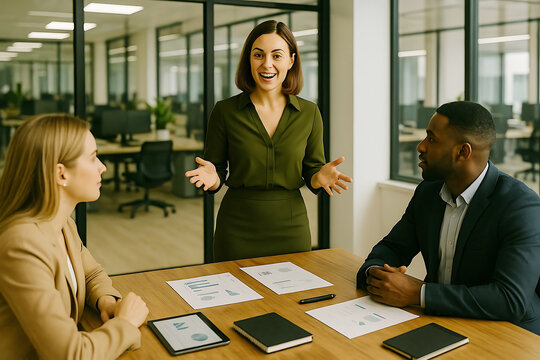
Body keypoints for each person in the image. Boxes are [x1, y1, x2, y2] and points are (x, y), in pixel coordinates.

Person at [357, 101, 540, 335]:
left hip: (506, 333)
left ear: (463, 151)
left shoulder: (520, 205)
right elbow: (392, 247)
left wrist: (419, 293)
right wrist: (375, 274)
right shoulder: (428, 192)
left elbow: (509, 299)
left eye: (432, 139)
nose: (420, 147)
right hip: (443, 322)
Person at [186, 20, 352, 261]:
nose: (267, 64)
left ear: (291, 60)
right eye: (258, 55)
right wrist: (212, 178)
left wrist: (319, 176)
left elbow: (312, 170)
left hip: (291, 226)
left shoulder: (309, 113)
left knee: (291, 296)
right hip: (237, 227)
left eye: (277, 55)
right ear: (248, 60)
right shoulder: (225, 111)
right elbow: (216, 171)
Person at [0, 114, 149, 359]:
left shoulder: (62, 224)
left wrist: (106, 300)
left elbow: (91, 273)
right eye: (93, 158)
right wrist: (125, 323)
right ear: (61, 174)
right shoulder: (21, 244)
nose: (103, 167)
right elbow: (70, 355)